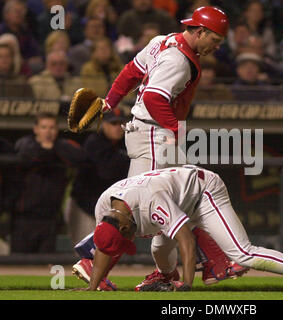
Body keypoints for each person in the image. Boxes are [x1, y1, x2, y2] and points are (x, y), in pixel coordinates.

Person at [72, 6, 248, 291]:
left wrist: (110, 101)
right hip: (156, 135)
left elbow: (131, 71)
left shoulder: (162, 40)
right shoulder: (179, 60)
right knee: (143, 205)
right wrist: (176, 129)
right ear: (200, 31)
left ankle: (169, 270)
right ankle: (94, 257)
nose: (217, 46)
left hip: (148, 131)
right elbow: (154, 98)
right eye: (214, 40)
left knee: (170, 201)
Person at [73, 166, 283, 292]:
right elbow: (107, 249)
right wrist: (92, 287)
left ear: (123, 224)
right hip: (174, 198)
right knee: (158, 246)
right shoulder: (103, 210)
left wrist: (187, 285)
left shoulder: (151, 204)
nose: (129, 241)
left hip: (202, 193)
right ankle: (166, 277)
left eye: (126, 237)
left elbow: (187, 241)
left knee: (241, 253)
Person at [11, 112, 86, 253]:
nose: (48, 131)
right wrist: (48, 149)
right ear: (36, 129)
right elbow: (27, 154)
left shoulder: (61, 145)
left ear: (57, 130)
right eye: (44, 127)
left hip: (49, 217)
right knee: (19, 263)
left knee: (45, 265)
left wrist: (52, 148)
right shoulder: (26, 143)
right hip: (24, 216)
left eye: (51, 127)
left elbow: (80, 156)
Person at [64, 109, 129, 247]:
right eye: (113, 123)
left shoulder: (126, 143)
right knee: (85, 251)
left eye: (121, 123)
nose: (118, 127)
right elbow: (106, 172)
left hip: (108, 209)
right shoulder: (94, 143)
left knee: (109, 251)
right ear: (104, 124)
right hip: (85, 207)